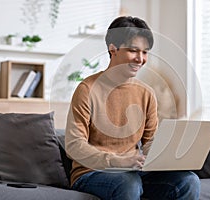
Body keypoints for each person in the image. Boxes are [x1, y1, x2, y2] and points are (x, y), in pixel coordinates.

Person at [65, 16, 200, 200]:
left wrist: (171, 157)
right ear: (113, 49)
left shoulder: (146, 93)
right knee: (128, 183)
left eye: (145, 52)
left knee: (188, 181)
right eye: (134, 51)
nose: (140, 59)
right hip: (91, 173)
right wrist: (117, 161)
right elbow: (74, 145)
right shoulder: (87, 89)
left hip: (133, 172)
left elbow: (149, 142)